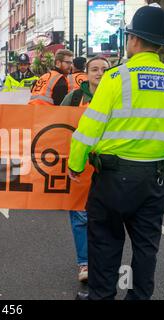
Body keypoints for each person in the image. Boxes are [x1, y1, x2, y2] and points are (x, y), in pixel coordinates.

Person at [68, 3, 164, 300]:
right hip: (155, 179)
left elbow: (89, 129)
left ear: (133, 40)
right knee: (147, 248)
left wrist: (75, 164)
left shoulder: (115, 78)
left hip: (112, 180)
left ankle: (101, 297)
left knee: (106, 245)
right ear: (160, 44)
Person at [60, 56, 110, 283]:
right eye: (94, 69)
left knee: (105, 218)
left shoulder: (115, 95)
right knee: (80, 216)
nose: (99, 73)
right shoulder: (74, 97)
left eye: (104, 69)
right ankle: (85, 264)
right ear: (86, 73)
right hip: (79, 166)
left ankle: (102, 260)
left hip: (108, 168)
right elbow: (56, 125)